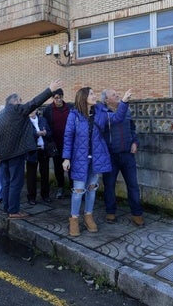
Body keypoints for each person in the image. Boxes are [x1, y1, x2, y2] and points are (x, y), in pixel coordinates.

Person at [62, 87, 132, 236]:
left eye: (94, 94)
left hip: (97, 158)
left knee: (92, 188)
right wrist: (66, 158)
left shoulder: (101, 112)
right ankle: (74, 219)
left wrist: (124, 102)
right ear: (83, 97)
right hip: (79, 159)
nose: (95, 96)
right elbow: (68, 137)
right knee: (78, 190)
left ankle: (88, 216)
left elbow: (117, 118)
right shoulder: (74, 115)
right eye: (91, 94)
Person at [0, 80, 63, 219]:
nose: (22, 102)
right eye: (20, 100)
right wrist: (50, 90)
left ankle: (7, 208)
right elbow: (34, 103)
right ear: (15, 102)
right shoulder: (16, 110)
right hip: (16, 154)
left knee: (6, 183)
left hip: (4, 155)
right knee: (15, 183)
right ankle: (13, 210)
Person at [101, 89, 144, 227]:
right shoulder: (103, 114)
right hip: (111, 156)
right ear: (107, 100)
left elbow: (132, 130)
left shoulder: (127, 111)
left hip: (127, 155)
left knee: (133, 185)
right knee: (109, 186)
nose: (117, 96)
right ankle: (110, 212)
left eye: (117, 94)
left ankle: (137, 214)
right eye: (114, 95)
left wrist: (135, 142)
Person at [42, 88, 73, 199]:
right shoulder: (48, 110)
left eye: (60, 97)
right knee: (58, 167)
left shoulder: (70, 108)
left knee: (71, 166)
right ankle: (60, 187)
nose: (58, 100)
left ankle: (73, 188)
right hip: (56, 144)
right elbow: (45, 125)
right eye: (56, 98)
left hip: (69, 144)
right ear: (52, 98)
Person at [25, 109, 52, 205]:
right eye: (30, 110)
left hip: (43, 150)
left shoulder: (42, 120)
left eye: (33, 109)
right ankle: (31, 197)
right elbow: (26, 136)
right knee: (31, 175)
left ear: (36, 110)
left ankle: (45, 195)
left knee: (45, 173)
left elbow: (49, 132)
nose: (31, 111)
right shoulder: (25, 122)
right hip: (32, 151)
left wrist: (45, 133)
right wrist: (37, 134)